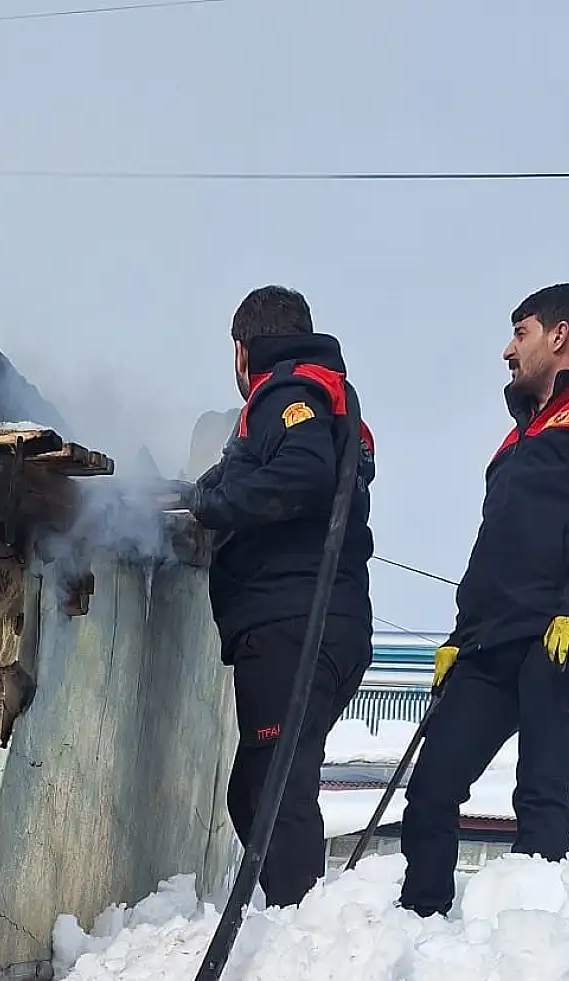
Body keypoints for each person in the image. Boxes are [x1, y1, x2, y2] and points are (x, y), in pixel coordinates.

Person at [399, 282, 569, 917]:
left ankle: (532, 946)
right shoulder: (517, 438)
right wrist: (459, 637)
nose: (506, 350)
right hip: (491, 639)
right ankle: (419, 925)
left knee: (542, 793)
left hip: (564, 632)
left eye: (519, 333)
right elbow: (493, 547)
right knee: (432, 788)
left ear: (559, 335)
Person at [181, 285, 377, 908]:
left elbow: (303, 475)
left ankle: (299, 930)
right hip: (321, 624)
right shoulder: (323, 396)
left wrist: (211, 504)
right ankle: (298, 922)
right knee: (260, 787)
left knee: (272, 787)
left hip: (292, 622)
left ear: (244, 350)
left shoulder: (287, 392)